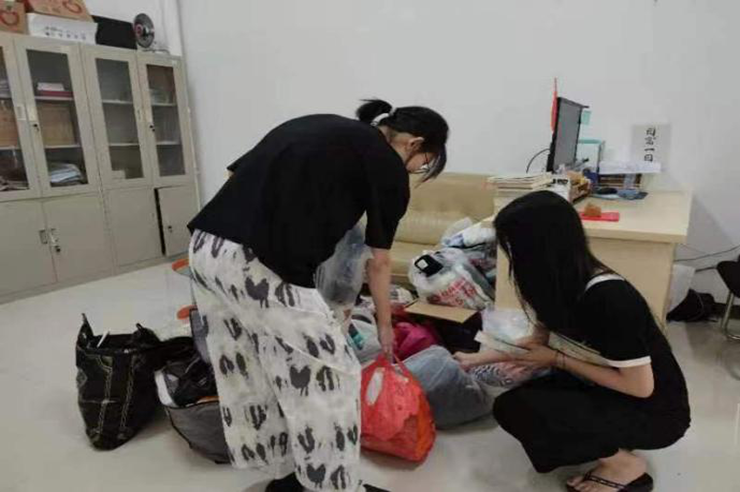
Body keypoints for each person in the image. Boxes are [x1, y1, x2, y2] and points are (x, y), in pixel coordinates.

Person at [186, 99, 449, 492]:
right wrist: (384, 326)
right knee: (332, 377)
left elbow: (234, 176)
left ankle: (286, 471)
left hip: (206, 248)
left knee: (255, 362)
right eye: (423, 164)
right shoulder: (387, 166)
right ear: (415, 144)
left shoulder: (318, 123)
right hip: (259, 264)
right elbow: (378, 262)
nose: (415, 171)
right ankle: (334, 487)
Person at [456, 191, 690, 492]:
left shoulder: (609, 297)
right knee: (512, 408)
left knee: (534, 410)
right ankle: (607, 443)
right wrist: (480, 358)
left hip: (655, 409)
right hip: (604, 384)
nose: (512, 258)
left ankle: (624, 465)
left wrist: (558, 360)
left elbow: (640, 387)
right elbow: (539, 342)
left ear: (541, 248)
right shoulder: (556, 284)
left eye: (515, 247)